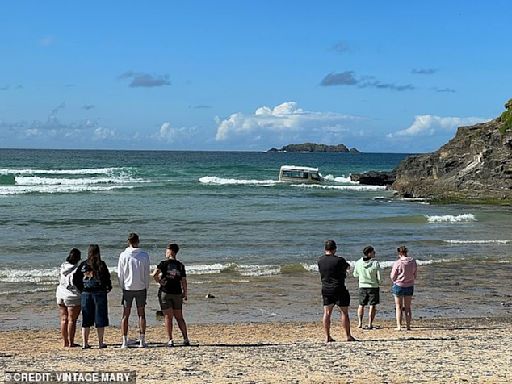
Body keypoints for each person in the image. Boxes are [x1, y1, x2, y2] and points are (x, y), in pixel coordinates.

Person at [73, 244, 112, 349]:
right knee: (100, 318)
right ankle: (100, 342)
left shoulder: (83, 265)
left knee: (86, 318)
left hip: (86, 293)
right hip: (99, 293)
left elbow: (75, 279)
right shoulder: (101, 265)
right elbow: (107, 278)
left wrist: (80, 290)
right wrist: (108, 287)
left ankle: (85, 343)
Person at [317, 239, 355, 343]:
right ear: (335, 249)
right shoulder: (339, 260)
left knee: (327, 313)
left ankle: (327, 336)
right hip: (339, 288)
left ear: (325, 249)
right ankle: (348, 335)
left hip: (326, 288)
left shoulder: (320, 260)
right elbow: (348, 267)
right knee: (344, 313)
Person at [151, 243, 189, 347]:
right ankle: (185, 338)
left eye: (167, 250)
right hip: (177, 293)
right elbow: (184, 281)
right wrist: (185, 292)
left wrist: (159, 281)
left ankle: (170, 340)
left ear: (171, 251)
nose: (165, 252)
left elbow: (154, 274)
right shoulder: (180, 265)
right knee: (179, 317)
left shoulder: (163, 264)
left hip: (165, 292)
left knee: (168, 317)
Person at [118, 233, 150, 348]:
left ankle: (124, 341)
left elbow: (120, 274)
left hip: (128, 287)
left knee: (125, 314)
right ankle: (142, 341)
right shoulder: (144, 255)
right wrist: (146, 286)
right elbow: (146, 273)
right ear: (138, 241)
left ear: (128, 242)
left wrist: (122, 286)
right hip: (141, 286)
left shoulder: (123, 255)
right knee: (141, 314)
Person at [56, 248, 82, 347]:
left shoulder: (63, 266)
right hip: (72, 295)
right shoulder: (77, 269)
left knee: (63, 319)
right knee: (72, 320)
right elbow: (78, 284)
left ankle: (65, 342)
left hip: (60, 293)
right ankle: (71, 342)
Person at [353, 245, 381, 329]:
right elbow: (379, 278)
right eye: (373, 252)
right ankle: (370, 323)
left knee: (361, 305)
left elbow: (355, 274)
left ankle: (360, 323)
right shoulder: (375, 263)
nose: (375, 253)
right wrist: (379, 283)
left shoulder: (358, 262)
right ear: (369, 253)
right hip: (373, 286)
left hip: (362, 286)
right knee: (372, 305)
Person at [390, 245, 417, 331]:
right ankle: (408, 326)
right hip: (409, 285)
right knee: (408, 307)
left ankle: (399, 326)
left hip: (399, 285)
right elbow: (415, 274)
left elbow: (393, 276)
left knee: (399, 306)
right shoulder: (413, 261)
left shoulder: (397, 262)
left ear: (399, 253)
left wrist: (395, 280)